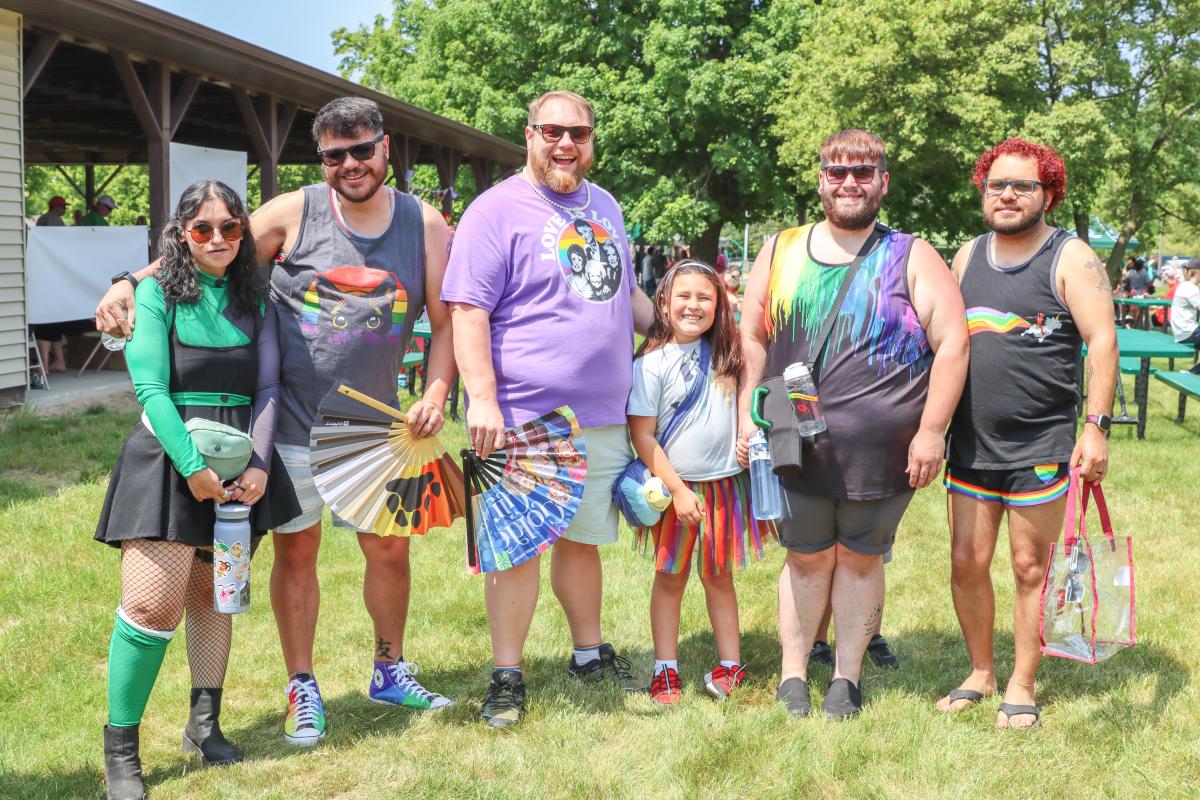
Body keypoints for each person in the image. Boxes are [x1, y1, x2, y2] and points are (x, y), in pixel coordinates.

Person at [94, 96, 457, 746]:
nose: (351, 164)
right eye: (335, 155)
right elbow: (213, 246)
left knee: (390, 549)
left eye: (362, 150)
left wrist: (437, 388)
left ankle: (389, 667)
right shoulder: (295, 211)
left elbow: (451, 317)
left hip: (376, 427)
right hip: (289, 422)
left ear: (386, 148)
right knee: (298, 551)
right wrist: (129, 281)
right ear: (322, 161)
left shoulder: (424, 224)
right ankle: (303, 686)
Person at [737, 129, 969, 719]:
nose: (849, 183)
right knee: (805, 557)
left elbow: (953, 344)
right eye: (837, 172)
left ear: (882, 182)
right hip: (794, 440)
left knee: (861, 558)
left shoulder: (910, 254)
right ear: (820, 180)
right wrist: (746, 412)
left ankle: (847, 677)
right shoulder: (782, 248)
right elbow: (752, 335)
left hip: (883, 452)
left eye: (862, 173)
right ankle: (793, 675)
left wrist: (931, 431)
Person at [443, 90, 655, 728]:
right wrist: (481, 397)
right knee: (516, 547)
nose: (567, 145)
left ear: (593, 141)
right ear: (528, 134)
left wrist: (678, 323)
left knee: (582, 539)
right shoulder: (493, 210)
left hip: (603, 413)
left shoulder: (607, 205)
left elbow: (625, 293)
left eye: (580, 134)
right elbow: (467, 309)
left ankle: (588, 654)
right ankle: (507, 675)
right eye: (553, 132)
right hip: (522, 416)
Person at [94, 180, 300, 800]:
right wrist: (193, 470)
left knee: (214, 596)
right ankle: (120, 751)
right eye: (202, 228)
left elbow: (268, 388)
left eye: (230, 228)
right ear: (181, 234)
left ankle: (204, 725)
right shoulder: (152, 294)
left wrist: (259, 464)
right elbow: (151, 391)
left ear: (244, 233)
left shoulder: (255, 298)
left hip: (242, 460)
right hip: (167, 458)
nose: (217, 239)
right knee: (153, 604)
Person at [939, 138, 1118, 730]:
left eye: (1022, 186)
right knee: (966, 561)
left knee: (1028, 566)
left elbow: (1102, 343)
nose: (1007, 195)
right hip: (969, 443)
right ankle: (980, 671)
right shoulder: (967, 256)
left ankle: (1021, 681)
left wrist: (1094, 427)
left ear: (1049, 193)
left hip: (1040, 443)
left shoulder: (1071, 258)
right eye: (997, 185)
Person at [627, 260, 775, 705]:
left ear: (720, 304)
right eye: (684, 297)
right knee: (669, 578)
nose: (693, 305)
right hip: (676, 490)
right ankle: (665, 669)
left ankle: (732, 663)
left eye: (704, 298)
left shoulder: (730, 357)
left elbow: (742, 413)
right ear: (664, 303)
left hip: (725, 488)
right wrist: (676, 489)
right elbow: (642, 435)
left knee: (718, 577)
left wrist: (746, 440)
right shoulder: (650, 364)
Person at [1171, 259, 1200, 351]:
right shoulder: (1191, 288)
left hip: (1182, 333)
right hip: (1189, 333)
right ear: (1198, 272)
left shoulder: (1184, 286)